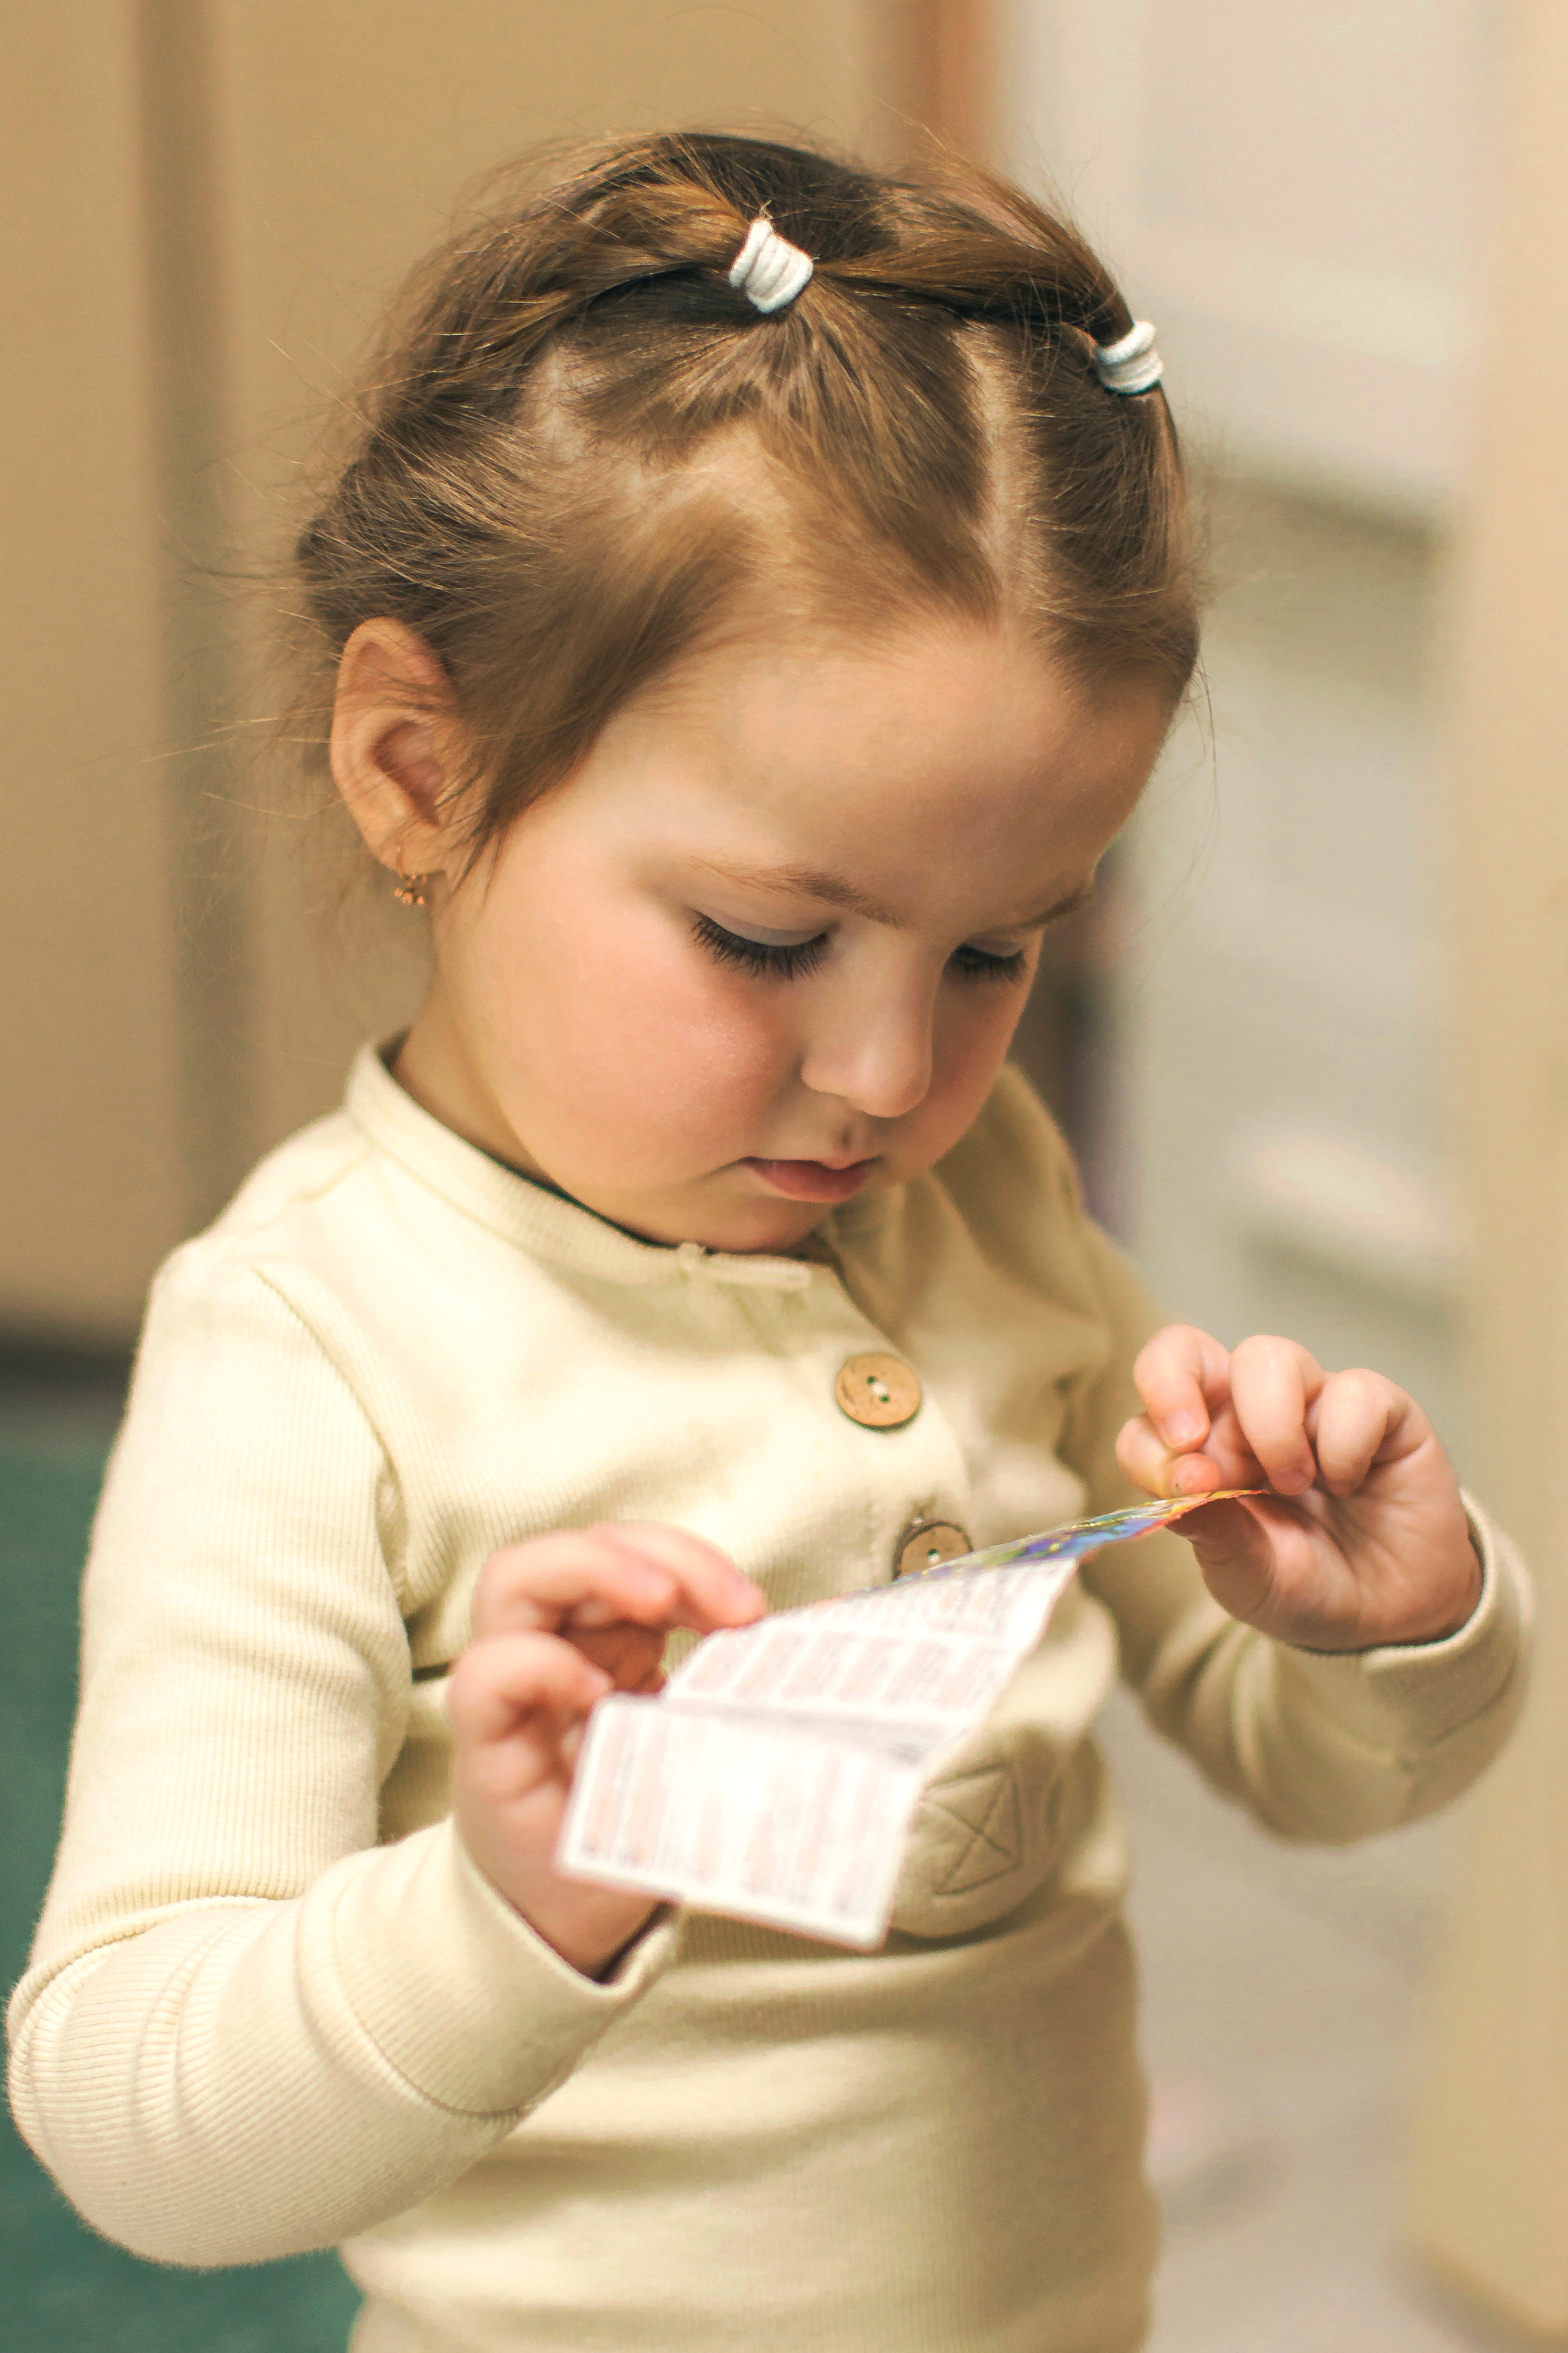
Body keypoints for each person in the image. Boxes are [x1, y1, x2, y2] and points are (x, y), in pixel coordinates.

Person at [6, 132, 1528, 2353]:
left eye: (1003, 948)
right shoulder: (308, 1351)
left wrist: (1392, 1623)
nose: (895, 1073)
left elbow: (1307, 1765)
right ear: (419, 768)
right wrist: (507, 1907)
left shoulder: (980, 1199)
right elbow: (133, 2121)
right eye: (768, 937)